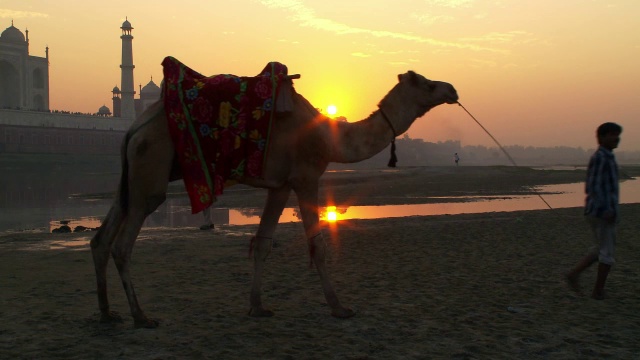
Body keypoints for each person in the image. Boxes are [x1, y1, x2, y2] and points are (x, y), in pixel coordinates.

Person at [566, 122, 622, 300]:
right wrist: (606, 210)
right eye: (612, 134)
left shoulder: (609, 157)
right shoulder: (601, 157)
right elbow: (594, 187)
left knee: (601, 249)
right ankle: (598, 291)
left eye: (617, 134)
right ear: (602, 137)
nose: (616, 138)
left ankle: (574, 274)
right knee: (607, 252)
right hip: (600, 212)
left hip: (602, 211)